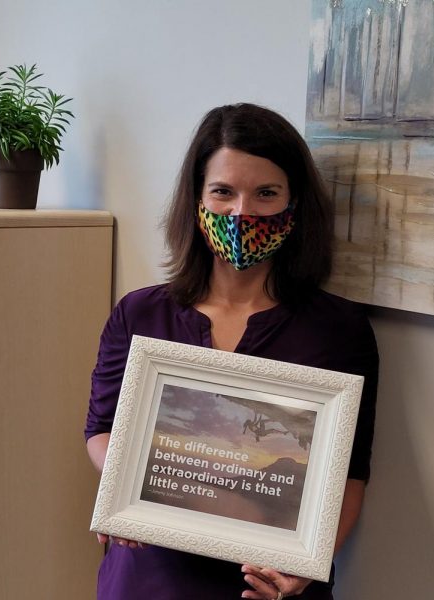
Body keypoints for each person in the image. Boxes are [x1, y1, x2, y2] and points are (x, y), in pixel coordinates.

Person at [85, 103, 378, 600]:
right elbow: (101, 430)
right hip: (150, 578)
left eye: (266, 193)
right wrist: (126, 488)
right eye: (223, 191)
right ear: (196, 198)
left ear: (295, 203)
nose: (243, 212)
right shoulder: (140, 315)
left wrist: (306, 565)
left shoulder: (339, 330)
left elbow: (348, 473)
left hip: (264, 586)